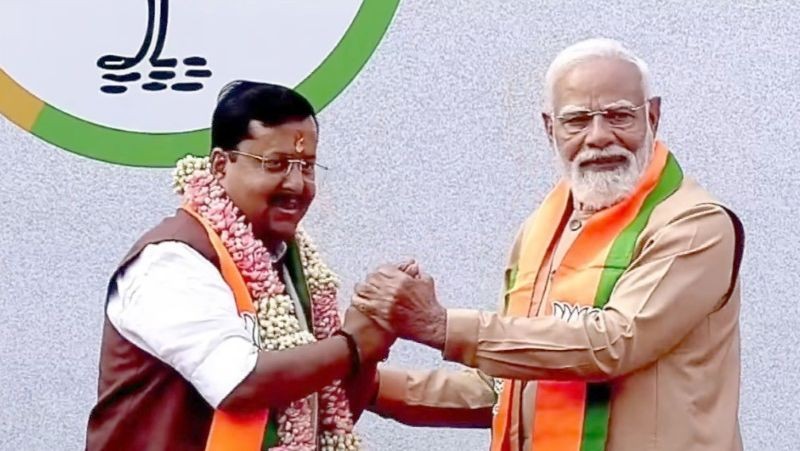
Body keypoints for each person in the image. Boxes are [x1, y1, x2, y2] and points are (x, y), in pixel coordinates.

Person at [353, 38, 745, 451]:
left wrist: (441, 326)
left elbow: (613, 344)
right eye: (577, 121)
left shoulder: (695, 224)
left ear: (652, 116)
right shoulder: (543, 229)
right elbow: (506, 388)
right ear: (549, 128)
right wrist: (366, 385)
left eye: (618, 116)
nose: (599, 137)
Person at [86, 81, 393, 451]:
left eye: (307, 167)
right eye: (276, 164)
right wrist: (353, 344)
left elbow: (326, 413)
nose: (296, 184)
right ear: (220, 164)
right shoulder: (171, 260)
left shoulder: (291, 264)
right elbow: (238, 382)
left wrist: (375, 337)